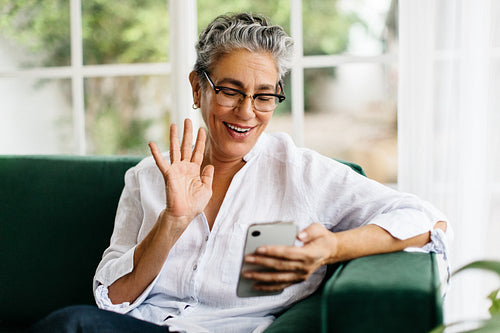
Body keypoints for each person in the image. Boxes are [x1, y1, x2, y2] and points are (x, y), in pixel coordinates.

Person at [28, 13, 449, 333]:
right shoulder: (146, 178)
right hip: (151, 327)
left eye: (264, 96)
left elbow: (426, 219)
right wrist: (172, 221)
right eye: (230, 91)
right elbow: (111, 299)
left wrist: (331, 248)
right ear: (198, 88)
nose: (246, 112)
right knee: (72, 323)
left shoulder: (302, 173)